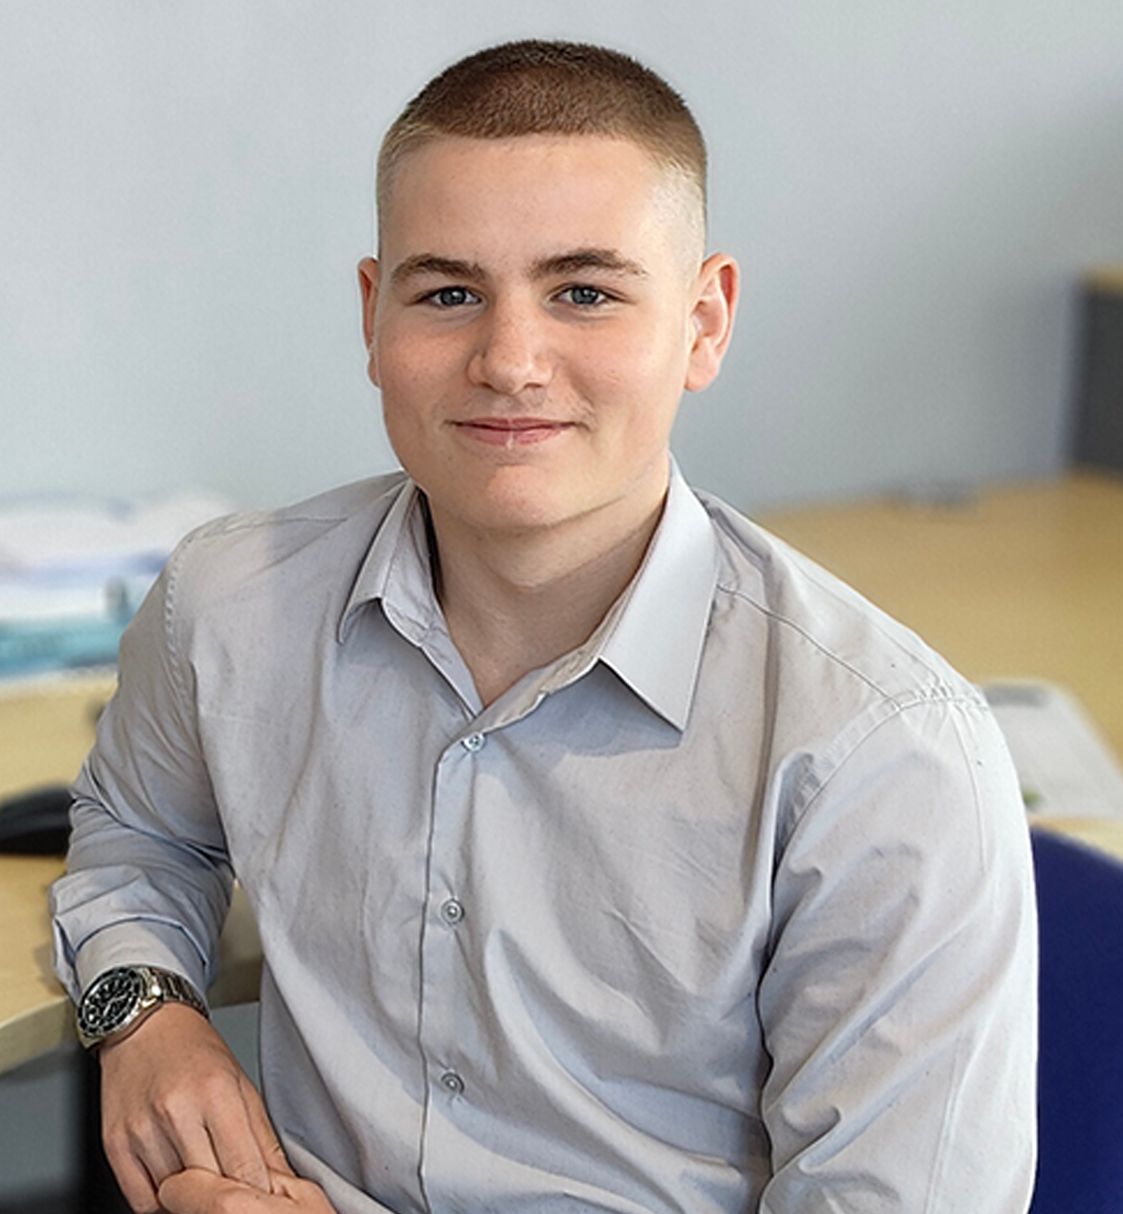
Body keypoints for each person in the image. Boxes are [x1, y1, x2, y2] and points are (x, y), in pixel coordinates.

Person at [51, 39, 1037, 1214]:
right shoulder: (228, 606)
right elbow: (138, 833)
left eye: (584, 291)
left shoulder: (884, 756)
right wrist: (145, 1012)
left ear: (705, 321)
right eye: (449, 291)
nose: (509, 360)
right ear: (374, 317)